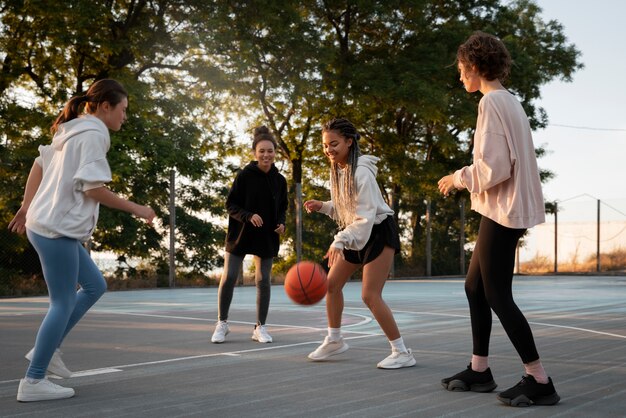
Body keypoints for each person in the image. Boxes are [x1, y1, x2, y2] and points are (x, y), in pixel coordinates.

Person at [8, 79, 156, 402]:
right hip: (55, 229)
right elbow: (93, 189)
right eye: (123, 110)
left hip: (47, 224)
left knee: (94, 285)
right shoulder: (92, 135)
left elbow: (38, 164)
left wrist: (25, 206)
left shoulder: (71, 130)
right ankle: (33, 380)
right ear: (105, 106)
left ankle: (48, 350)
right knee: (61, 303)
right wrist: (137, 208)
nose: (125, 117)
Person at [437, 31, 560, 407]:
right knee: (475, 288)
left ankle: (539, 379)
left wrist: (457, 178)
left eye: (461, 70)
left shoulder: (491, 104)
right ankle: (479, 370)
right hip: (503, 208)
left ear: (474, 67)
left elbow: (494, 168)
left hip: (503, 211)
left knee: (497, 295)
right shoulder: (510, 101)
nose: (460, 78)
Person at [303, 118, 415, 369]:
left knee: (370, 295)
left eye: (334, 144)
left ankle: (402, 351)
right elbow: (346, 210)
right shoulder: (340, 171)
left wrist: (339, 241)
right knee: (331, 285)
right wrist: (324, 207)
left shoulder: (361, 172)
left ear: (349, 142)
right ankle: (334, 340)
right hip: (357, 232)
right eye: (325, 146)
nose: (328, 150)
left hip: (378, 232)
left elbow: (364, 218)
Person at [211, 126, 287, 344]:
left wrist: (282, 224)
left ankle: (260, 327)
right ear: (255, 152)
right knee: (230, 277)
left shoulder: (280, 180)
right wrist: (248, 215)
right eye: (262, 151)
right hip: (241, 234)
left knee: (263, 282)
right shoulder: (244, 176)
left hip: (267, 236)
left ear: (275, 153)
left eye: (270, 151)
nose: (266, 155)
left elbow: (283, 207)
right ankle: (222, 324)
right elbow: (230, 204)